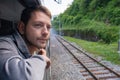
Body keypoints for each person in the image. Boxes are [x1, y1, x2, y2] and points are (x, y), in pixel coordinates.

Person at [0, 5, 51, 80]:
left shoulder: (32, 47)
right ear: (22, 28)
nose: (46, 32)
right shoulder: (4, 44)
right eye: (38, 25)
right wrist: (42, 59)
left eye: (48, 27)